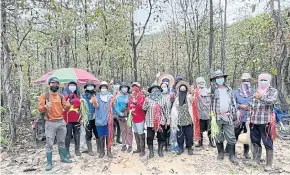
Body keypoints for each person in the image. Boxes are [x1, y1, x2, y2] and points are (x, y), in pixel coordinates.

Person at [38, 77, 72, 171]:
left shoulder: (61, 96)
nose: (54, 85)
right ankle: (49, 163)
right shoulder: (45, 96)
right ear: (49, 85)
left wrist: (68, 106)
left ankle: (63, 158)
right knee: (49, 143)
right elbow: (40, 109)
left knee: (61, 141)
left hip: (61, 121)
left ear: (58, 85)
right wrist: (45, 106)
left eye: (56, 83)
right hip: (50, 123)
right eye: (52, 83)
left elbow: (66, 108)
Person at [247, 73, 277, 171]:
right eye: (261, 80)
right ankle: (256, 160)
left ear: (269, 81)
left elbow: (271, 101)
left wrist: (260, 97)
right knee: (255, 141)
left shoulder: (273, 91)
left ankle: (269, 164)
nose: (263, 82)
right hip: (254, 121)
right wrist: (248, 118)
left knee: (267, 142)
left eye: (265, 80)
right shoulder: (256, 91)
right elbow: (251, 106)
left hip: (266, 121)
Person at [210, 70, 238, 165]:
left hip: (228, 116)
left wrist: (234, 113)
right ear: (214, 80)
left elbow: (233, 102)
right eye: (217, 78)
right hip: (216, 117)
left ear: (224, 78)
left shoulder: (229, 89)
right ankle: (220, 153)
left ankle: (232, 155)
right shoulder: (213, 90)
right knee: (218, 135)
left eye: (221, 77)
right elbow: (209, 99)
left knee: (231, 136)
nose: (219, 79)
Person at [225, 73, 254, 159]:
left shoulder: (253, 91)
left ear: (250, 82)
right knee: (234, 134)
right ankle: (228, 150)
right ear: (241, 82)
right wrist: (240, 106)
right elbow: (231, 103)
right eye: (244, 81)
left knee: (248, 135)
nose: (246, 82)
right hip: (238, 118)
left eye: (247, 81)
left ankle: (246, 152)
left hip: (249, 117)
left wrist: (249, 106)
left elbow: (256, 102)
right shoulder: (236, 92)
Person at [143, 83, 170, 158]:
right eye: (153, 89)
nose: (155, 91)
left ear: (159, 90)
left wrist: (168, 119)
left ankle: (160, 150)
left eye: (157, 89)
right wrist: (146, 101)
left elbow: (166, 110)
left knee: (161, 136)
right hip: (150, 121)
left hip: (161, 121)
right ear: (151, 91)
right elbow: (144, 108)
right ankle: (151, 150)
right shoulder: (148, 98)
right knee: (149, 137)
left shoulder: (163, 99)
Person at [171, 81, 194, 155]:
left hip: (188, 120)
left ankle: (189, 147)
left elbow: (193, 101)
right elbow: (174, 109)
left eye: (184, 89)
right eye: (181, 89)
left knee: (189, 135)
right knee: (180, 135)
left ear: (186, 90)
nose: (183, 90)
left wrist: (192, 93)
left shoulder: (189, 97)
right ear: (179, 90)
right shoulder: (177, 99)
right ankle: (180, 147)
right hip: (179, 121)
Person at [94, 81, 114, 158]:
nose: (104, 89)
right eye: (102, 87)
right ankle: (102, 151)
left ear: (107, 88)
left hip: (109, 119)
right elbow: (96, 106)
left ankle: (109, 151)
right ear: (100, 88)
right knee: (101, 136)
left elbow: (113, 106)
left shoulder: (110, 97)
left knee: (108, 136)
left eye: (105, 87)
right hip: (99, 119)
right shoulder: (97, 97)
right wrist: (94, 102)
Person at [194, 77, 215, 148]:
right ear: (197, 84)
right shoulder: (195, 92)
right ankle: (200, 142)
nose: (201, 84)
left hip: (208, 113)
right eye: (199, 83)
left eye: (202, 82)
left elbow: (213, 99)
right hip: (199, 113)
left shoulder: (209, 91)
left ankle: (211, 141)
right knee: (200, 129)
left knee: (210, 128)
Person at [63, 80, 81, 158]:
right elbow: (63, 105)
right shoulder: (64, 95)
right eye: (71, 85)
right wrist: (69, 98)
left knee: (77, 133)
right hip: (68, 118)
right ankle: (67, 151)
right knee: (68, 134)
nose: (72, 86)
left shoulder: (78, 95)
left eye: (74, 85)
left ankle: (77, 149)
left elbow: (81, 106)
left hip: (77, 117)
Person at [81, 80, 100, 156]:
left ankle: (99, 148)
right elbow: (81, 107)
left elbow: (99, 106)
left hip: (96, 117)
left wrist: (94, 101)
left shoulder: (97, 95)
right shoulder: (83, 96)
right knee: (88, 134)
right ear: (86, 87)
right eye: (88, 86)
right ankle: (90, 150)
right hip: (87, 118)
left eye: (91, 86)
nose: (90, 87)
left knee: (97, 133)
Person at [113, 82, 133, 152]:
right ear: (121, 88)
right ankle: (124, 144)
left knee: (129, 130)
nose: (124, 89)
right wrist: (119, 113)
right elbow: (115, 106)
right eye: (123, 87)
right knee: (123, 130)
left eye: (126, 87)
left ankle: (130, 145)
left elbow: (133, 105)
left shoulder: (130, 96)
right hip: (120, 116)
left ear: (128, 88)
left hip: (128, 115)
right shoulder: (117, 97)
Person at [129, 82, 146, 157]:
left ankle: (143, 150)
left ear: (139, 88)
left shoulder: (142, 96)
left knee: (140, 132)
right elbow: (129, 105)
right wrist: (130, 110)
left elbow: (142, 107)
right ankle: (138, 148)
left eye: (136, 87)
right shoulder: (131, 96)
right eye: (133, 86)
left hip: (140, 117)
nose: (135, 88)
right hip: (133, 117)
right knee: (135, 132)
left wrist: (136, 103)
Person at [160, 81, 172, 151]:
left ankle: (167, 144)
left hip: (169, 115)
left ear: (167, 88)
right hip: (161, 116)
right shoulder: (158, 96)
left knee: (168, 129)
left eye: (165, 87)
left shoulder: (170, 96)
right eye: (162, 87)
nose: (164, 88)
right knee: (162, 130)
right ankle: (163, 143)